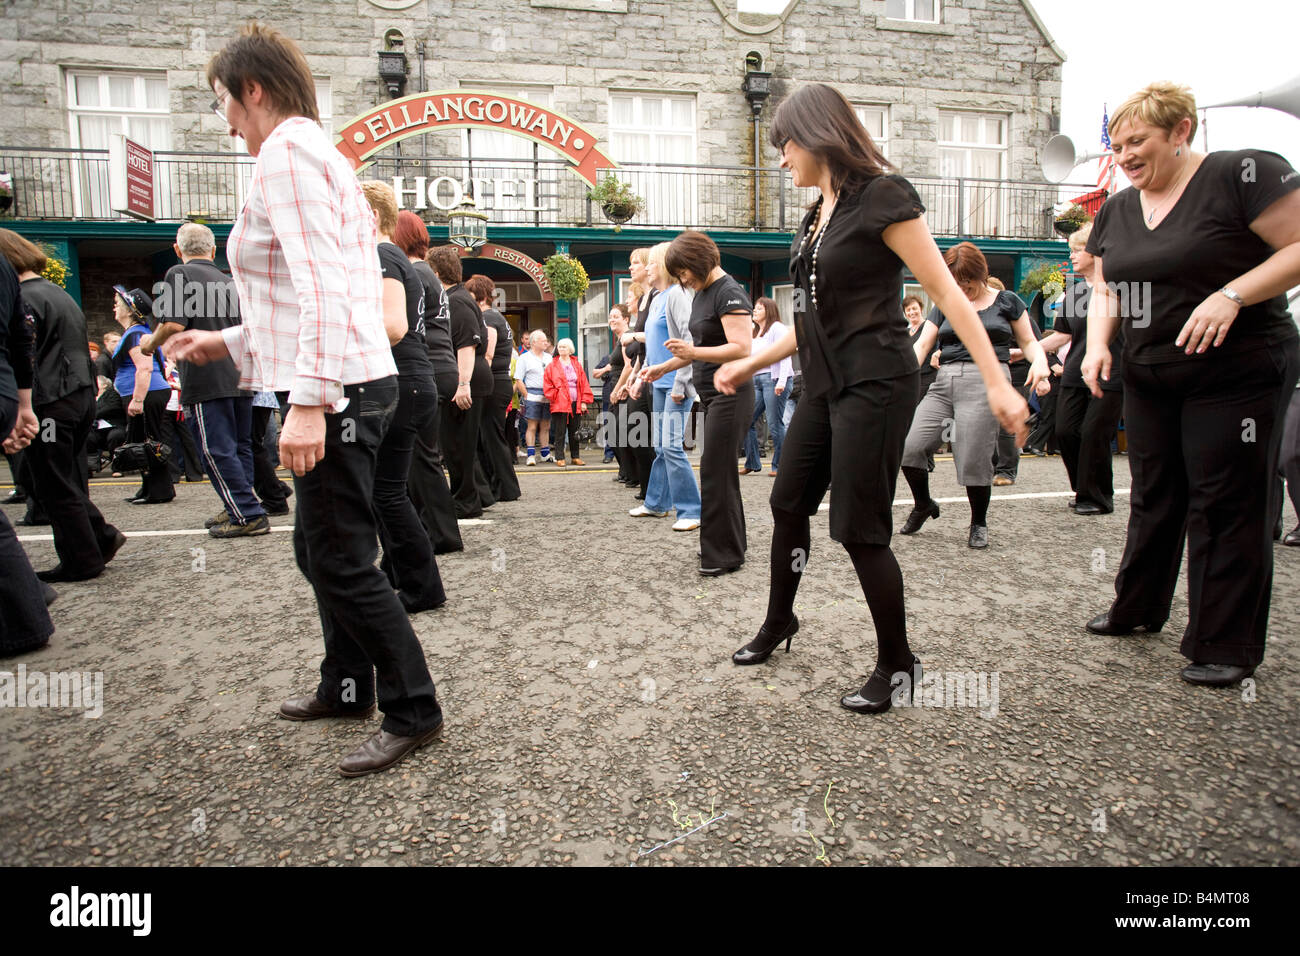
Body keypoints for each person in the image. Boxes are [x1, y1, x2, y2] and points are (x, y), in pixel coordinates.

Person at [170, 22, 443, 776]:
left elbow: (323, 285)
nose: (223, 118)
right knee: (321, 549)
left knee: (341, 556)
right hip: (350, 377)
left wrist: (310, 401)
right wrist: (226, 342)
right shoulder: (310, 151)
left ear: (252, 89)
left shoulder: (286, 152)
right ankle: (348, 683)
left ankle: (414, 708)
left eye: (224, 99)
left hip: (341, 387)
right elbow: (304, 292)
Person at [714, 84, 1029, 713]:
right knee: (786, 502)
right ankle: (780, 621)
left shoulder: (885, 196)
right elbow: (807, 324)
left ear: (818, 134)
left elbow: (946, 293)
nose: (782, 161)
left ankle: (899, 663)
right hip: (825, 384)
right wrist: (747, 363)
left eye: (786, 146)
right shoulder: (813, 218)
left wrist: (997, 379)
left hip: (878, 384)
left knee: (859, 529)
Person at [1078, 82, 1300, 687]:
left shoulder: (1242, 175)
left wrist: (1232, 295)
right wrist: (1098, 344)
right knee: (1153, 491)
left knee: (1225, 498)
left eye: (1137, 141)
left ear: (1181, 132)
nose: (1123, 156)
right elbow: (1105, 286)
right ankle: (1139, 607)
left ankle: (1223, 640)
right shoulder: (1120, 208)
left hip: (1237, 369)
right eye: (1117, 145)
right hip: (1150, 369)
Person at [900, 242, 1049, 548]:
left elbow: (1030, 341)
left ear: (981, 274)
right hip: (944, 382)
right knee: (910, 447)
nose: (962, 290)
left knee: (973, 459)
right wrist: (899, 375)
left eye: (967, 283)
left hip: (987, 380)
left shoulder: (1006, 301)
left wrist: (1041, 362)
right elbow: (922, 344)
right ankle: (923, 504)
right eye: (955, 283)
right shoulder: (945, 301)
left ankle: (978, 522)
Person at [0, 229, 126, 583]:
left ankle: (84, 557)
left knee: (52, 482)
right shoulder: (58, 293)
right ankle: (96, 541)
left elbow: (25, 354)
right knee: (69, 477)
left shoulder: (23, 298)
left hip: (50, 401)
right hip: (78, 397)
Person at [145, 222, 270, 537]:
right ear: (213, 250)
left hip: (205, 375)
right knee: (240, 446)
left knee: (214, 448)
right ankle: (239, 505)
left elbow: (172, 323)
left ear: (178, 249)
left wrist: (149, 344)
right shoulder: (232, 281)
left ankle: (247, 513)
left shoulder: (178, 273)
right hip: (242, 373)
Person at [358, 180, 447, 615]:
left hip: (404, 380)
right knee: (387, 491)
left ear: (371, 215)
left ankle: (421, 587)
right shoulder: (388, 256)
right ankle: (400, 574)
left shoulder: (381, 255)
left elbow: (392, 327)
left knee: (387, 492)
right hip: (409, 380)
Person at [661, 231, 753, 575]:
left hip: (732, 394)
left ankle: (722, 555)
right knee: (720, 471)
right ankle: (730, 547)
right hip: (712, 395)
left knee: (715, 471)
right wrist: (664, 366)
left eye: (684, 271)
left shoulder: (728, 291)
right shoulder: (702, 293)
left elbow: (743, 347)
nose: (683, 279)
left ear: (699, 260)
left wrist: (693, 353)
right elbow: (695, 348)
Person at [1036, 223, 1124, 515]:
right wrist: (1028, 349)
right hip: (1075, 371)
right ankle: (1082, 487)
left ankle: (1098, 497)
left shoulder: (1123, 288)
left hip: (1111, 371)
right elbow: (1062, 335)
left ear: (1096, 252)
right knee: (1065, 430)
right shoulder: (1072, 294)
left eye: (1077, 250)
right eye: (1070, 250)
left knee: (1094, 433)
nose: (1071, 256)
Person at [393, 210, 461, 554]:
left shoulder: (411, 273)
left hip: (429, 368)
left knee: (421, 458)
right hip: (442, 367)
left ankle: (441, 535)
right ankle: (434, 530)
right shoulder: (427, 274)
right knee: (423, 457)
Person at [0, 252, 54, 654]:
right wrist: (21, 403)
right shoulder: (5, 267)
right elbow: (21, 338)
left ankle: (24, 614)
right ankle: (25, 606)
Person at [633, 241, 701, 530]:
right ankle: (657, 504)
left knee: (671, 447)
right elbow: (655, 346)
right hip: (658, 380)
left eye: (650, 263)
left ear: (661, 265)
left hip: (675, 382)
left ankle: (692, 511)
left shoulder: (677, 295)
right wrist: (639, 378)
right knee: (661, 447)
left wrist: (681, 384)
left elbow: (689, 341)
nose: (646, 268)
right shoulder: (658, 297)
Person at [429, 245, 494, 517]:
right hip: (469, 376)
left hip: (468, 378)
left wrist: (462, 384)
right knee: (463, 443)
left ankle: (466, 502)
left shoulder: (456, 300)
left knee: (458, 445)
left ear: (436, 272)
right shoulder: (455, 298)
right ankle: (479, 494)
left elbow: (466, 344)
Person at [111, 285, 176, 504]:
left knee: (149, 442)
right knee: (142, 441)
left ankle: (160, 491)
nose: (114, 307)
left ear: (130, 310)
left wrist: (137, 399)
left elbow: (144, 368)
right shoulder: (136, 333)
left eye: (117, 303)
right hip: (146, 392)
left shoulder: (136, 333)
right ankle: (149, 488)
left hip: (146, 393)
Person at [465, 274, 521, 500]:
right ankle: (501, 487)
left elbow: (488, 353)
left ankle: (504, 489)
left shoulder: (488, 317)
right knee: (490, 436)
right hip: (500, 382)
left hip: (493, 382)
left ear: (477, 295)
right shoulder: (496, 316)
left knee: (490, 437)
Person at [741, 297, 792, 477]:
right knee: (746, 420)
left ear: (769, 311)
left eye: (759, 309)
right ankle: (753, 462)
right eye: (754, 308)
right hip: (756, 381)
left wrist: (782, 381)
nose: (755, 311)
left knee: (774, 423)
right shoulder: (754, 332)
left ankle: (780, 466)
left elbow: (785, 355)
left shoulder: (777, 328)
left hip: (774, 378)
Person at [543, 337, 594, 467]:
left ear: (570, 349)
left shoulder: (576, 364)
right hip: (560, 403)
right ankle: (560, 457)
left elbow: (583, 383)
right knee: (559, 432)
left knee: (574, 431)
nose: (561, 349)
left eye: (564, 347)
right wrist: (556, 395)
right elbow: (547, 385)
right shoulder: (552, 365)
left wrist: (584, 401)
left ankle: (575, 457)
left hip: (575, 401)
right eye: (559, 347)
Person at [514, 329, 552, 466]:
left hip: (547, 395)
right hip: (532, 394)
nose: (546, 343)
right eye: (543, 341)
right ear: (534, 342)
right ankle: (531, 455)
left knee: (546, 425)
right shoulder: (524, 358)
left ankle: (545, 453)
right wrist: (527, 396)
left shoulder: (549, 358)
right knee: (532, 426)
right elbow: (518, 380)